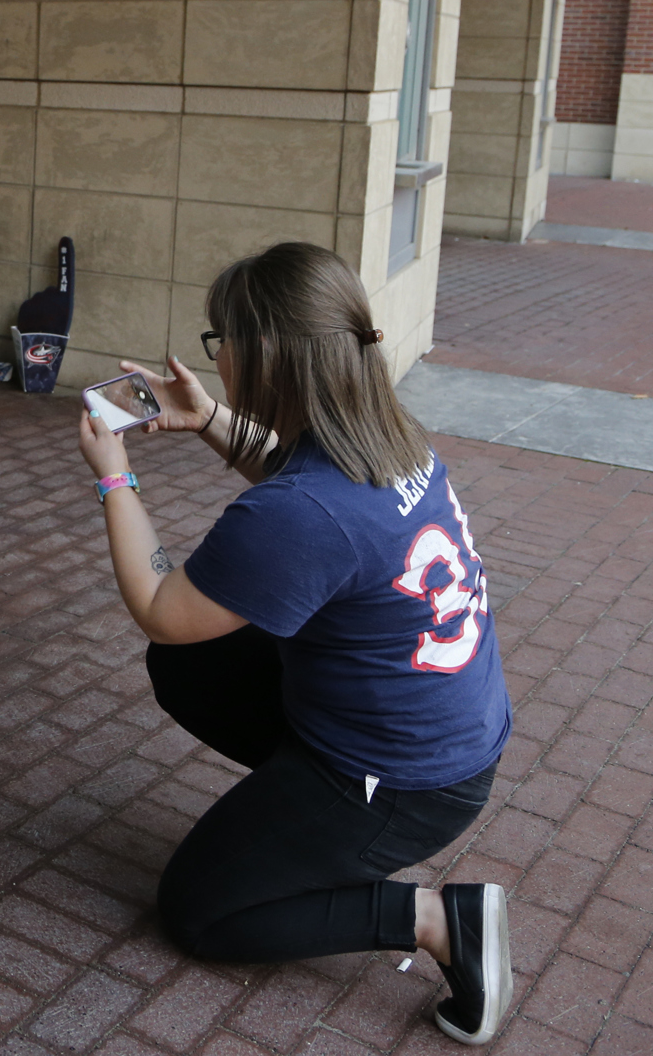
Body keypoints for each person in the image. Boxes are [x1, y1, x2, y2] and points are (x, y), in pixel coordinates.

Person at [74, 242, 512, 1046]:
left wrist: (114, 475)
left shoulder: (302, 514)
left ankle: (440, 920)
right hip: (440, 735)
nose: (221, 355)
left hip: (405, 780)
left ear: (266, 355)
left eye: (223, 340)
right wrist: (207, 418)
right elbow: (297, 486)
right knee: (194, 664)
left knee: (202, 911)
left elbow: (165, 608)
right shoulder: (387, 437)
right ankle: (301, 815)